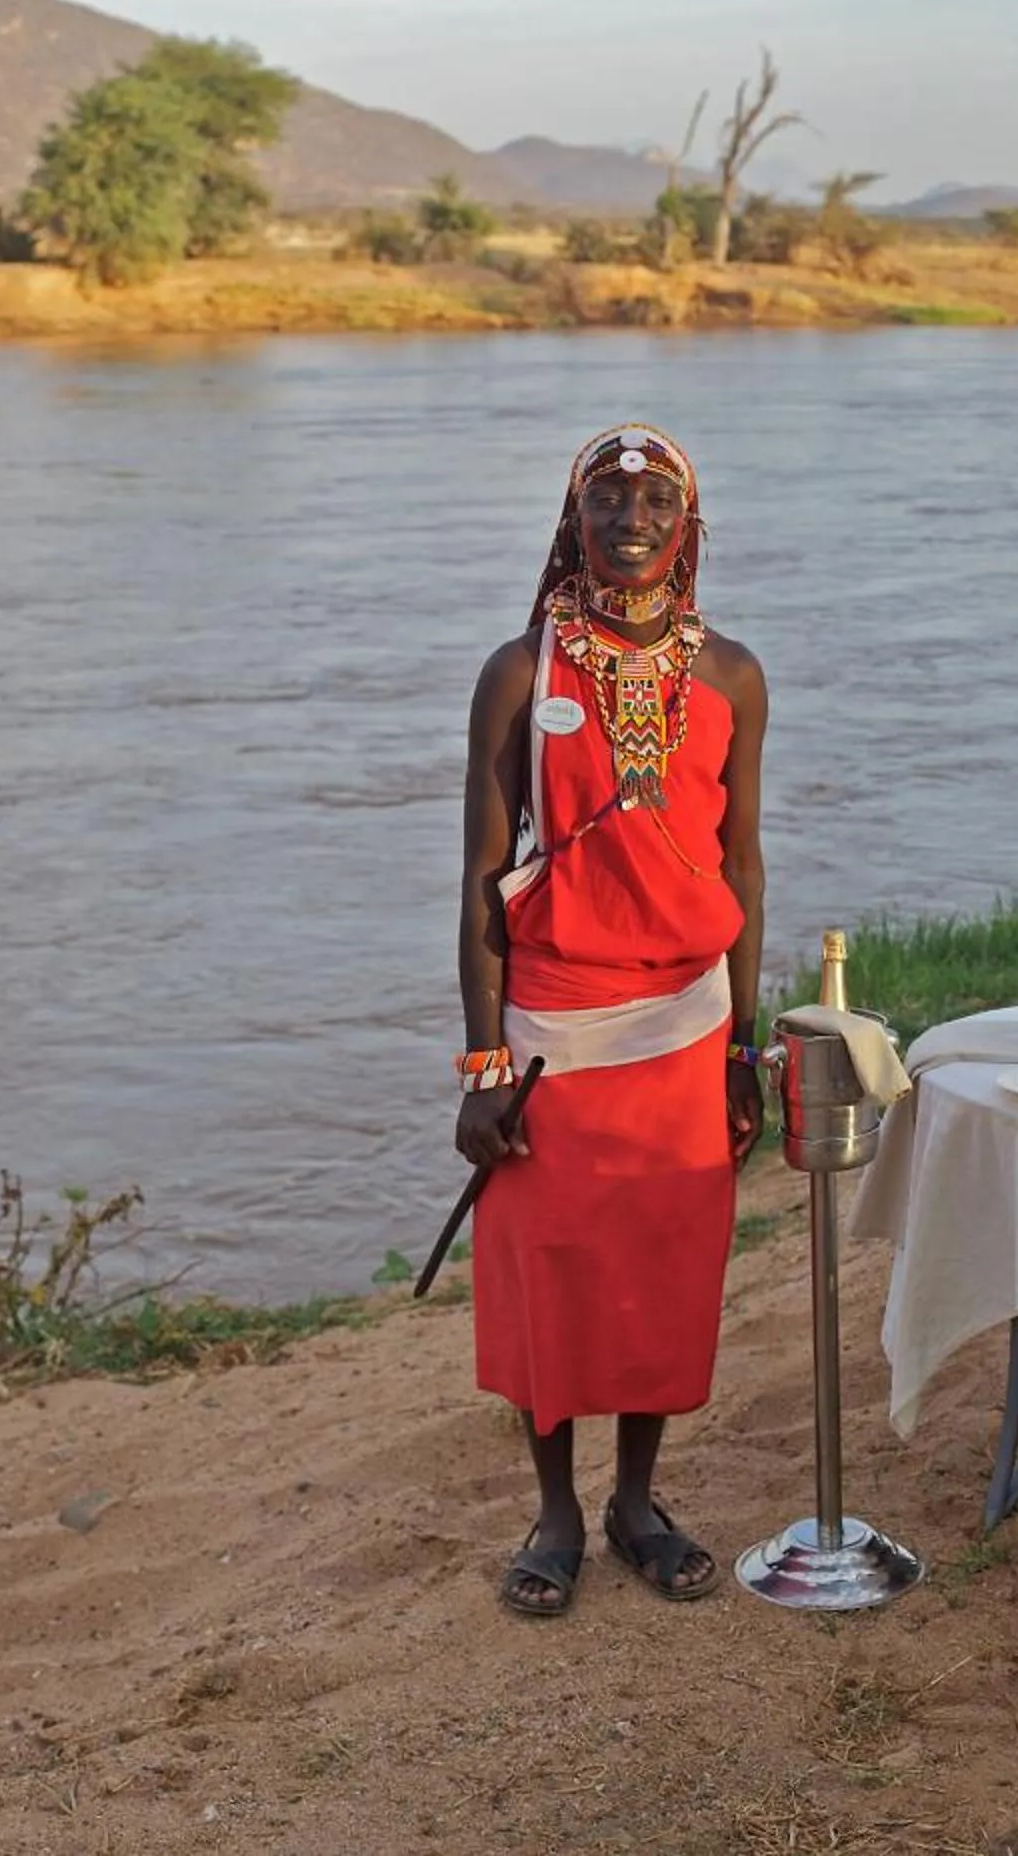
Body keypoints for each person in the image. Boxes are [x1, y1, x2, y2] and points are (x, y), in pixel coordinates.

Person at [453, 423, 768, 1617]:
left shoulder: (732, 672)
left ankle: (638, 1501)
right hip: (553, 1036)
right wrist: (485, 1063)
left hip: (684, 1031)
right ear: (571, 519)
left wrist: (745, 1045)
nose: (631, 519)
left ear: (688, 525)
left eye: (655, 501)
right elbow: (483, 885)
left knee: (658, 1273)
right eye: (607, 499)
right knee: (552, 1273)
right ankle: (557, 1512)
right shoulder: (522, 671)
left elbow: (743, 866)